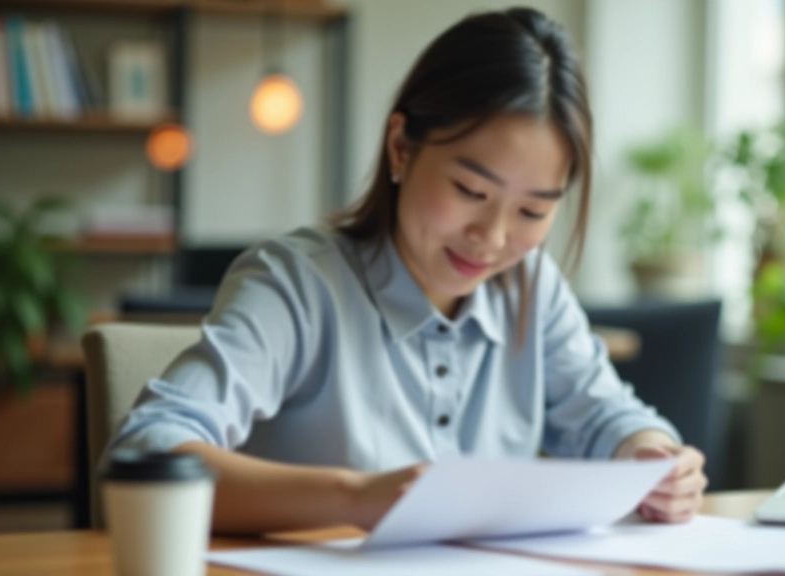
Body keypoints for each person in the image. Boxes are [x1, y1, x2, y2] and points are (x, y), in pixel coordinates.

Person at [109, 6, 707, 535]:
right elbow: (146, 451)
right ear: (401, 147)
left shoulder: (531, 288)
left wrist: (653, 457)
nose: (493, 238)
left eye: (532, 211)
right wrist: (355, 497)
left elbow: (605, 416)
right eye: (470, 190)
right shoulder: (296, 283)